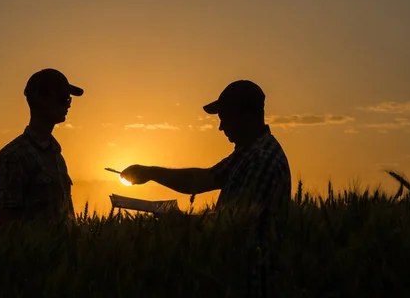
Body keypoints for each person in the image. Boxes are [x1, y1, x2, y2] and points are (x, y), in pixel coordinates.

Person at [120, 79, 291, 220]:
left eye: (225, 118)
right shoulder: (246, 155)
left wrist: (182, 221)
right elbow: (202, 179)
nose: (221, 127)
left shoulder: (261, 160)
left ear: (247, 117)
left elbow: (236, 223)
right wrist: (149, 173)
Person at [0, 68, 84, 228]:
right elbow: (7, 226)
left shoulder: (56, 155)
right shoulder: (12, 157)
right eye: (62, 99)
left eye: (69, 100)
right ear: (40, 99)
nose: (67, 105)